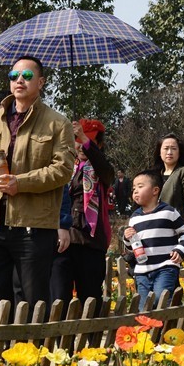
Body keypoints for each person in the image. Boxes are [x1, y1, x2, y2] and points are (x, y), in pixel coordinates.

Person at [0, 56, 75, 308]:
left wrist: (21, 182)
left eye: (27, 76)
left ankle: (31, 347)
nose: (19, 80)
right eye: (14, 76)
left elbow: (63, 170)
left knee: (29, 298)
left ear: (41, 82)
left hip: (34, 225)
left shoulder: (57, 123)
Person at [51, 118, 114, 309]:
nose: (80, 145)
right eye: (76, 140)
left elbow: (106, 171)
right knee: (58, 299)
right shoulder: (64, 167)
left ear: (99, 145)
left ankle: (93, 339)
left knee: (90, 301)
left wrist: (85, 140)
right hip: (62, 240)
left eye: (87, 140)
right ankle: (60, 339)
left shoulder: (101, 169)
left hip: (90, 242)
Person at [123, 170, 184, 307]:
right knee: (143, 307)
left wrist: (180, 250)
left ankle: (166, 327)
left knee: (160, 299)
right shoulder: (134, 217)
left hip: (165, 267)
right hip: (142, 270)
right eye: (134, 188)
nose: (136, 191)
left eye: (140, 186)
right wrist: (127, 238)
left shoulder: (168, 212)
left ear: (155, 190)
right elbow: (132, 246)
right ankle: (148, 329)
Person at [153, 134, 184, 228]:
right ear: (159, 151)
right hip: (155, 228)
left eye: (174, 148)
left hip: (176, 228)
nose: (169, 152)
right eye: (166, 148)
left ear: (179, 152)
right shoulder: (154, 175)